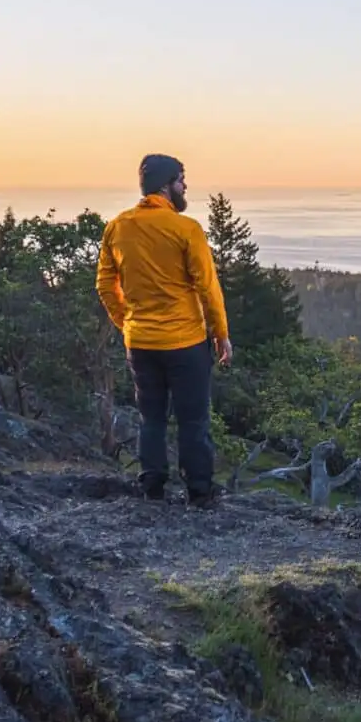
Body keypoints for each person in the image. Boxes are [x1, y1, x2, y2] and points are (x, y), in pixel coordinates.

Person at [95, 153, 232, 506]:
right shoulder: (186, 229)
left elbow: (105, 284)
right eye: (182, 180)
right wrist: (220, 334)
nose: (186, 186)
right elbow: (207, 287)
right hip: (185, 342)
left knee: (151, 417)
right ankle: (199, 491)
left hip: (140, 342)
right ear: (166, 185)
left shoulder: (118, 226)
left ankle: (152, 485)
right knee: (193, 419)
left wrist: (126, 322)